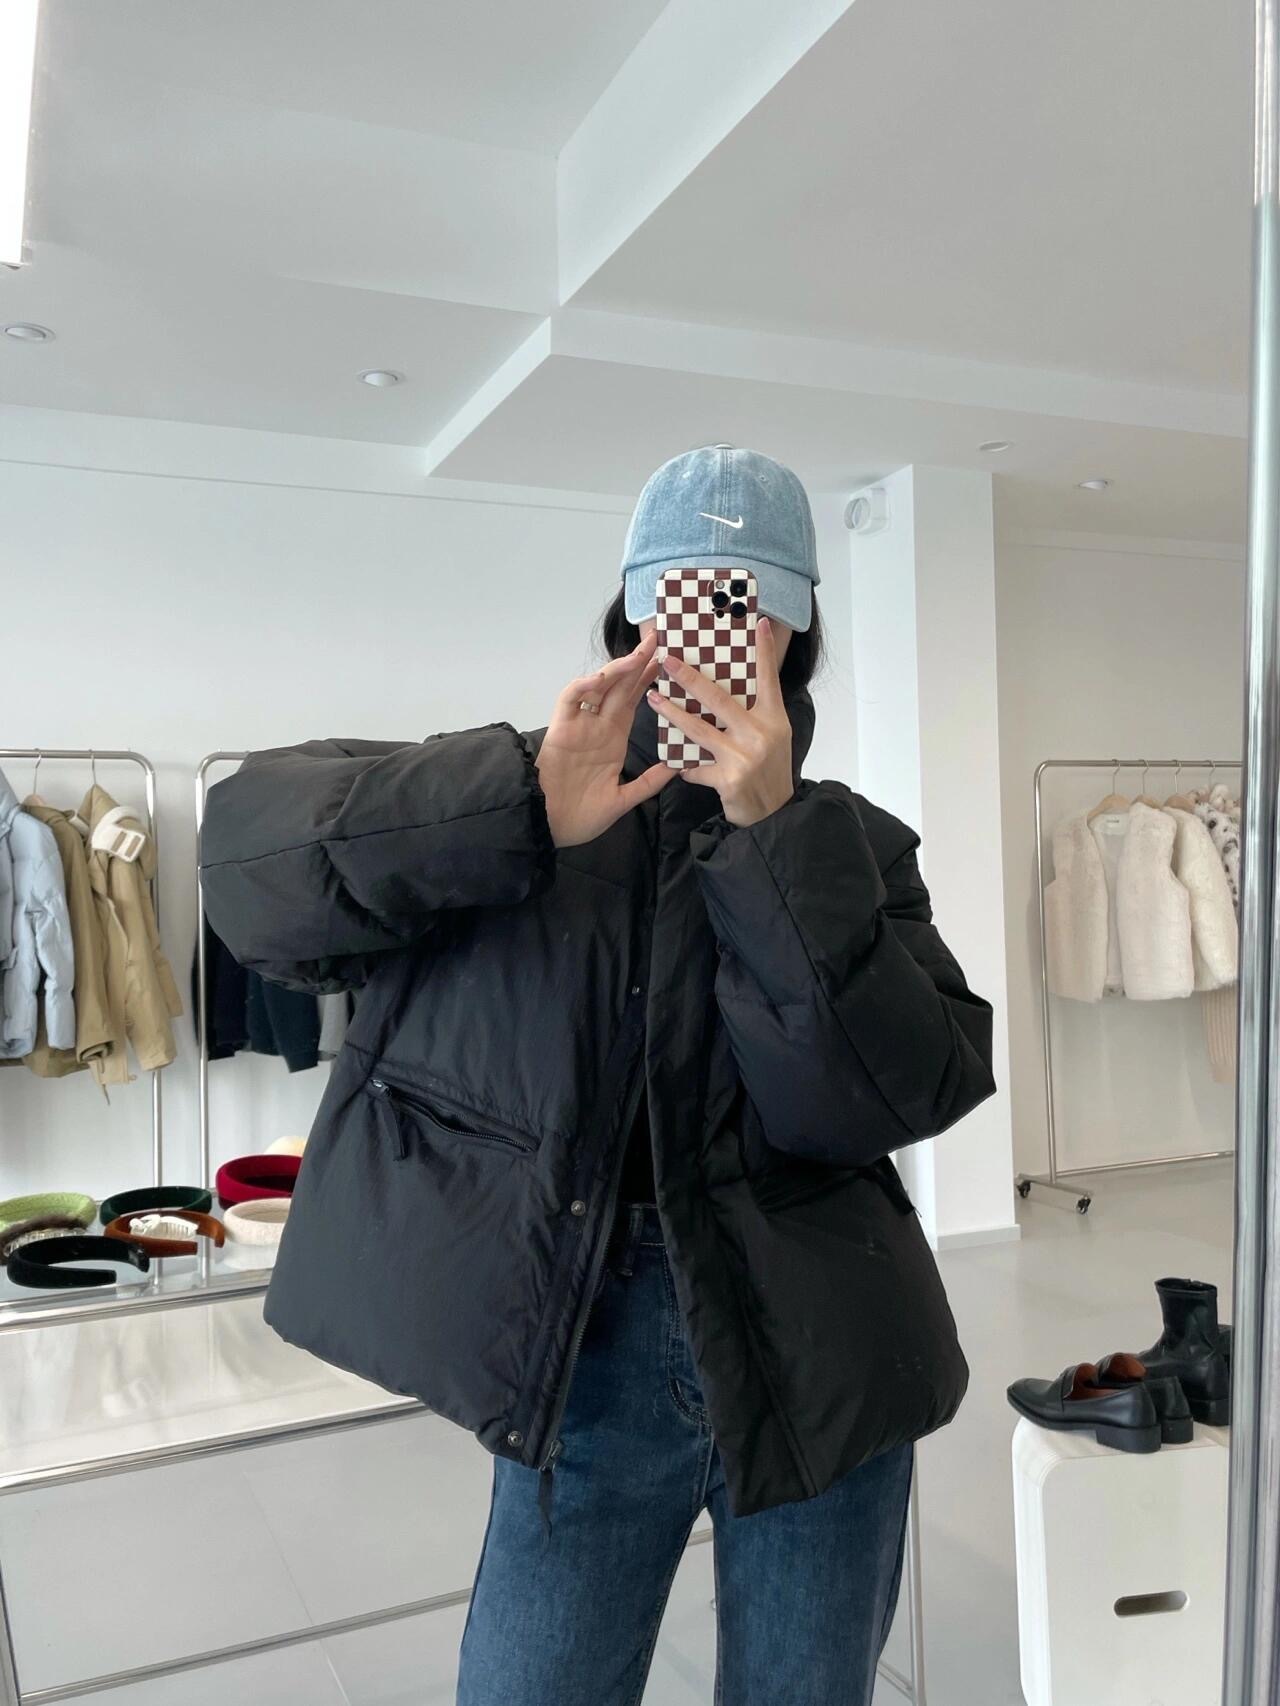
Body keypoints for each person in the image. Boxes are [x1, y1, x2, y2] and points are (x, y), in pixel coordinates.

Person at [199, 444, 996, 1706]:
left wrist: (772, 840)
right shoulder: (508, 803)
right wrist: (514, 806)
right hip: (581, 1340)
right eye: (681, 594)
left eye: (746, 602)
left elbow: (880, 1101)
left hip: (825, 1348)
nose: (709, 632)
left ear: (794, 633)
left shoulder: (849, 844)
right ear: (630, 609)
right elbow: (249, 869)